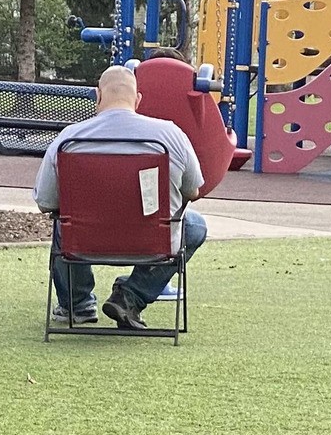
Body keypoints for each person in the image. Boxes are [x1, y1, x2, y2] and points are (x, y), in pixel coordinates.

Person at [34, 64, 207, 330]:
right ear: (138, 99)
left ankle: (76, 304)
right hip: (152, 243)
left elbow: (46, 203)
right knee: (194, 226)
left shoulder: (69, 138)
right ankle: (131, 296)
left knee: (63, 222)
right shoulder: (171, 135)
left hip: (84, 243)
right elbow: (193, 191)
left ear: (97, 96)